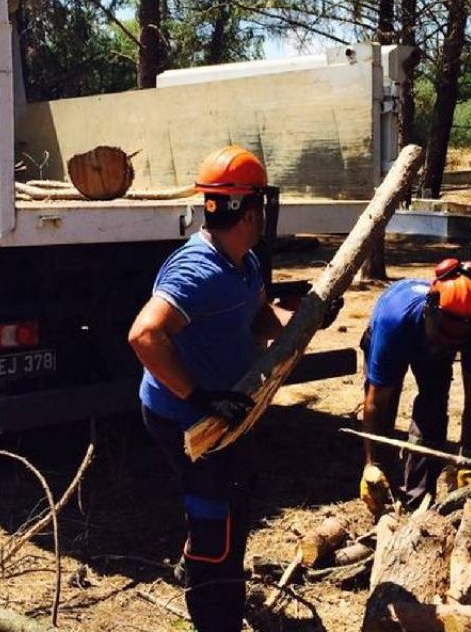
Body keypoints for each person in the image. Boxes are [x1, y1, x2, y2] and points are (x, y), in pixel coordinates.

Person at [128, 145, 335, 631]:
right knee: (214, 511)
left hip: (224, 409)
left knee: (239, 491)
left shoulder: (244, 263)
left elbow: (258, 319)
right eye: (259, 203)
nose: (264, 213)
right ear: (246, 209)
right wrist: (198, 397)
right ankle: (213, 614)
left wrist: (306, 318)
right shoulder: (198, 270)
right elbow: (144, 335)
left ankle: (199, 568)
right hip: (183, 416)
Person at [358, 259, 471, 512]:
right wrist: (370, 464)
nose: (445, 344)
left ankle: (419, 498)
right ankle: (381, 483)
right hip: (397, 331)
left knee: (433, 408)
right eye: (442, 334)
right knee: (386, 401)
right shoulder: (393, 320)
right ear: (430, 310)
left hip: (426, 344)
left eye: (454, 343)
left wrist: (467, 457)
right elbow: (376, 400)